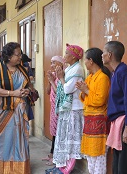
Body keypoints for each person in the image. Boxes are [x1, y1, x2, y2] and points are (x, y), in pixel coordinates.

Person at [0, 42, 34, 173]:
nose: (20, 57)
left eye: (20, 54)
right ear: (8, 57)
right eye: (17, 55)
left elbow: (28, 86)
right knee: (4, 139)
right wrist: (13, 93)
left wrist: (26, 92)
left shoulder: (22, 69)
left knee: (19, 139)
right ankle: (3, 168)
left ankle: (19, 168)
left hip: (19, 110)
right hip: (3, 110)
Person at [102, 41, 127, 174]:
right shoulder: (115, 72)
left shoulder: (125, 73)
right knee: (116, 163)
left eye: (104, 52)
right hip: (117, 122)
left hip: (124, 123)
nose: (102, 55)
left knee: (124, 164)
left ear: (110, 55)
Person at [76, 48, 111, 174]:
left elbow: (99, 100)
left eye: (85, 59)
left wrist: (85, 91)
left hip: (99, 121)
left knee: (99, 155)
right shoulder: (90, 77)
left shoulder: (103, 78)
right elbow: (84, 98)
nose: (84, 62)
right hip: (89, 119)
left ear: (91, 61)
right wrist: (83, 91)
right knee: (90, 155)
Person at [52, 43, 85, 174]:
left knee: (70, 140)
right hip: (67, 109)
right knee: (64, 138)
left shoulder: (77, 69)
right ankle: (61, 165)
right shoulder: (71, 68)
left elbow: (67, 89)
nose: (64, 56)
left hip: (74, 109)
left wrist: (60, 78)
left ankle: (66, 168)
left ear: (73, 57)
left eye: (66, 53)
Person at [42, 56, 65, 166]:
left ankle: (55, 156)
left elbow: (59, 93)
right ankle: (52, 154)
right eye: (51, 63)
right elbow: (48, 91)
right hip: (53, 108)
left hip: (59, 108)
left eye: (54, 63)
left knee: (57, 133)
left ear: (61, 64)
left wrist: (52, 81)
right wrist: (49, 80)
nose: (51, 65)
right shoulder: (55, 76)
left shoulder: (62, 76)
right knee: (54, 131)